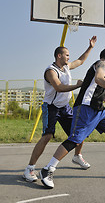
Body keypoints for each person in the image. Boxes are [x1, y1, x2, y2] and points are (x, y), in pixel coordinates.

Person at [39, 47, 105, 189]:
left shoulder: (101, 66)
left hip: (98, 108)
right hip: (85, 108)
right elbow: (99, 78)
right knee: (75, 139)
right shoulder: (103, 63)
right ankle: (48, 169)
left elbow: (95, 87)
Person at [23, 36, 97, 182]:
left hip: (65, 108)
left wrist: (90, 47)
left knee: (78, 132)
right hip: (51, 107)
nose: (69, 57)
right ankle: (30, 168)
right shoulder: (51, 71)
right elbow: (59, 87)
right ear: (59, 55)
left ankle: (77, 156)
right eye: (67, 54)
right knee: (47, 136)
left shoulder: (66, 67)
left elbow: (81, 61)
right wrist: (77, 85)